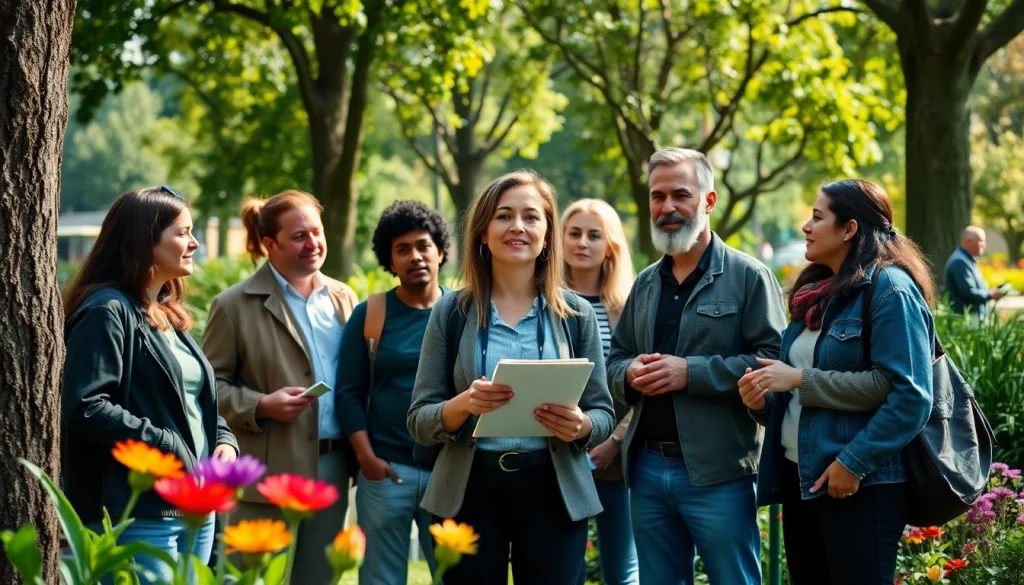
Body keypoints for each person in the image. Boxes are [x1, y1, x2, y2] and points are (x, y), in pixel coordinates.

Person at [407, 170, 615, 585]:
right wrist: (463, 404)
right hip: (469, 491)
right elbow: (418, 420)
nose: (518, 226)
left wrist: (583, 425)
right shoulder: (451, 313)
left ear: (546, 234)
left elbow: (603, 413)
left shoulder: (576, 314)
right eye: (504, 216)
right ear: (483, 233)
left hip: (554, 490)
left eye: (531, 217)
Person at [740, 179, 936, 585]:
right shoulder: (814, 294)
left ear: (849, 229)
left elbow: (911, 395)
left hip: (859, 485)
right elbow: (801, 398)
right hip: (803, 480)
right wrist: (761, 402)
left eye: (817, 217)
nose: (805, 228)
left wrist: (852, 463)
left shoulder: (890, 290)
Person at [605, 148, 787, 585]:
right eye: (657, 196)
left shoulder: (749, 276)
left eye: (680, 195)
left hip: (719, 471)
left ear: (708, 201)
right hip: (646, 469)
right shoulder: (646, 283)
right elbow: (615, 362)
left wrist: (693, 373)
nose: (667, 207)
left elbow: (775, 364)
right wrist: (629, 374)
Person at [62, 186, 238, 582]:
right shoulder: (105, 311)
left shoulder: (168, 314)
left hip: (194, 507)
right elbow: (85, 404)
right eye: (183, 232)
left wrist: (223, 438)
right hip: (139, 513)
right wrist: (167, 443)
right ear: (145, 239)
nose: (194, 243)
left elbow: (190, 401)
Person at [202, 190, 358, 584]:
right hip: (265, 474)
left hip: (332, 468)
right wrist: (259, 405)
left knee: (318, 579)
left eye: (317, 233)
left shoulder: (344, 298)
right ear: (269, 244)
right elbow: (206, 390)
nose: (314, 244)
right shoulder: (233, 305)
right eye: (300, 236)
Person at [335, 200, 452, 584]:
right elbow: (349, 392)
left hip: (449, 473)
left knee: (456, 576)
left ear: (441, 251)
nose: (415, 256)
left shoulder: (464, 312)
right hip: (386, 473)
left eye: (423, 245)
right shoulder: (371, 314)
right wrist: (367, 460)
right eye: (402, 249)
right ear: (390, 260)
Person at [561, 198, 639, 585]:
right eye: (574, 233)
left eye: (594, 235)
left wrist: (615, 440)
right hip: (556, 450)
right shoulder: (545, 303)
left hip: (613, 455)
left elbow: (639, 383)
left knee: (621, 568)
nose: (583, 243)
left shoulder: (628, 307)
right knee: (562, 565)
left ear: (611, 245)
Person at [943, 225, 1002, 317]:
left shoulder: (967, 260)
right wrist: (990, 294)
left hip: (972, 316)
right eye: (981, 241)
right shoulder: (960, 261)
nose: (984, 245)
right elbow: (968, 292)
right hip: (967, 317)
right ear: (969, 241)